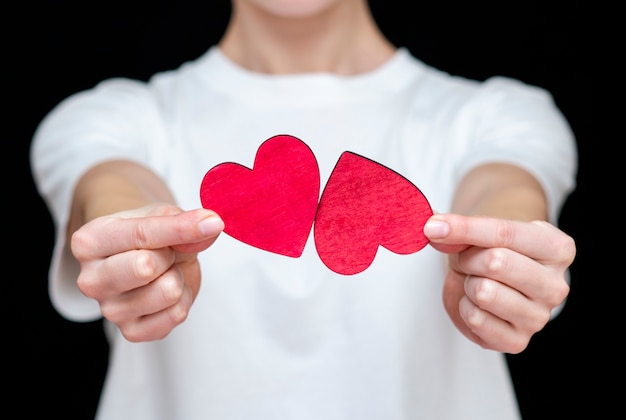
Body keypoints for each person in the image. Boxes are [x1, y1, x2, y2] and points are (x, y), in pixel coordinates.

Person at [30, 0, 577, 419]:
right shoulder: (112, 117)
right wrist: (136, 236)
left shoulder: (500, 115)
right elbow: (112, 183)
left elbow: (504, 189)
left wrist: (503, 256)